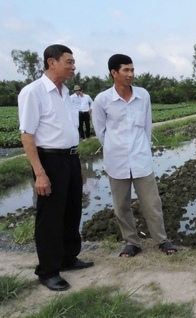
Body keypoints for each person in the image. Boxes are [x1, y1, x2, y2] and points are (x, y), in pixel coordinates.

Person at [18, 44, 94, 291]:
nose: (73, 67)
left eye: (73, 62)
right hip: (49, 160)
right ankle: (48, 270)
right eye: (69, 62)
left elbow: (69, 132)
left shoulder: (66, 93)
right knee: (50, 216)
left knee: (72, 210)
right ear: (52, 62)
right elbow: (27, 136)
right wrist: (40, 173)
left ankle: (68, 258)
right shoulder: (34, 92)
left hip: (70, 158)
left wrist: (78, 166)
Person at [92, 54, 177, 257]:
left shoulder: (143, 95)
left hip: (141, 160)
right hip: (117, 162)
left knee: (152, 203)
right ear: (114, 73)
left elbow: (147, 127)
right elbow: (101, 132)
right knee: (121, 206)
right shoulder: (103, 100)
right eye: (126, 70)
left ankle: (161, 240)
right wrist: (115, 148)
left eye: (132, 70)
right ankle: (132, 242)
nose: (131, 74)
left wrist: (143, 150)